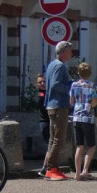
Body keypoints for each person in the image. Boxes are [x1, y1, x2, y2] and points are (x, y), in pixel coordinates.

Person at [43, 41, 74, 181]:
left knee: (53, 138)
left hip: (52, 105)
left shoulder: (52, 64)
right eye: (69, 51)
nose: (71, 53)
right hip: (59, 106)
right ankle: (51, 169)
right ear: (63, 52)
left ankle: (49, 167)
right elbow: (56, 85)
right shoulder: (60, 66)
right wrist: (71, 89)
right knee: (58, 139)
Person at [69, 62, 97, 180]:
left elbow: (71, 102)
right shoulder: (93, 86)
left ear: (79, 73)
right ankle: (85, 169)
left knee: (79, 146)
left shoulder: (74, 85)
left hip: (76, 117)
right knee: (91, 145)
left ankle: (77, 173)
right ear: (90, 73)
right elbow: (94, 103)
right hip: (88, 118)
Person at [34, 73, 50, 177]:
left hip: (47, 122)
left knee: (51, 145)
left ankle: (48, 167)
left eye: (44, 81)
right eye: (40, 82)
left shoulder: (46, 93)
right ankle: (45, 168)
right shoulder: (41, 95)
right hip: (45, 122)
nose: (43, 83)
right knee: (50, 146)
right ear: (37, 85)